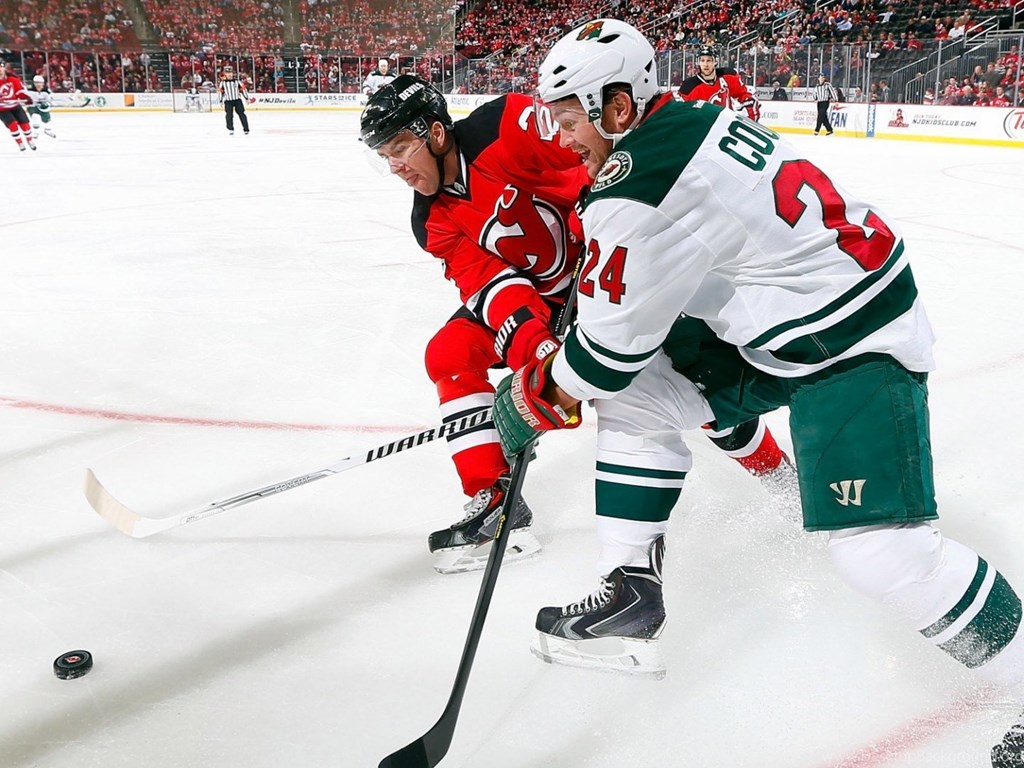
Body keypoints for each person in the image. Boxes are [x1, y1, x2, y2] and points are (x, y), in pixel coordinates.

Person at [492, 19, 1024, 762]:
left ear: (617, 107)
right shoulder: (681, 125)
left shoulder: (641, 181)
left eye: (570, 118)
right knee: (638, 397)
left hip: (851, 340)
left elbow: (606, 355)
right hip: (789, 325)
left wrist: (535, 395)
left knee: (880, 556)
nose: (563, 137)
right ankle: (631, 587)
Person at [358, 75, 791, 579]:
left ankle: (778, 475)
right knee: (450, 353)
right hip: (544, 300)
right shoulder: (432, 220)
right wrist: (537, 356)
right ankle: (495, 500)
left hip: (607, 264)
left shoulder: (504, 126)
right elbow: (492, 285)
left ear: (435, 133)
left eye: (400, 148)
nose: (396, 167)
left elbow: (592, 150)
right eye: (385, 155)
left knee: (687, 379)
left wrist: (604, 214)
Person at [678, 44, 760, 121]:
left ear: (716, 61)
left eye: (709, 60)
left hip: (725, 125)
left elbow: (743, 94)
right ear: (698, 62)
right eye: (702, 60)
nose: (705, 64)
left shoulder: (728, 76)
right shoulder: (689, 87)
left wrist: (749, 104)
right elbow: (682, 114)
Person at [0, 60, 36, 151]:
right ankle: (20, 143)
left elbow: (20, 91)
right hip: (2, 109)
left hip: (15, 106)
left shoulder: (13, 79)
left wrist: (26, 98)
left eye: (1, 67)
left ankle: (29, 140)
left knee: (25, 124)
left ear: (4, 68)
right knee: (13, 125)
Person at [218, 65, 251, 136]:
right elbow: (220, 92)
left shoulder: (237, 81)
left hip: (237, 100)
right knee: (229, 115)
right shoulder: (222, 83)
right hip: (228, 101)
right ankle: (230, 128)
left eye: (230, 73)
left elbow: (243, 90)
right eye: (227, 73)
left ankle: (246, 129)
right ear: (225, 74)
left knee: (242, 114)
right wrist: (220, 100)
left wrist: (247, 98)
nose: (229, 74)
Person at [28, 73, 55, 139]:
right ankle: (36, 132)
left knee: (46, 119)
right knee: (35, 117)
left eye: (40, 83)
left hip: (43, 107)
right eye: (36, 83)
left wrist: (47, 103)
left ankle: (47, 130)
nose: (38, 84)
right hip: (33, 107)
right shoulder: (29, 90)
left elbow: (50, 100)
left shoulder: (47, 91)